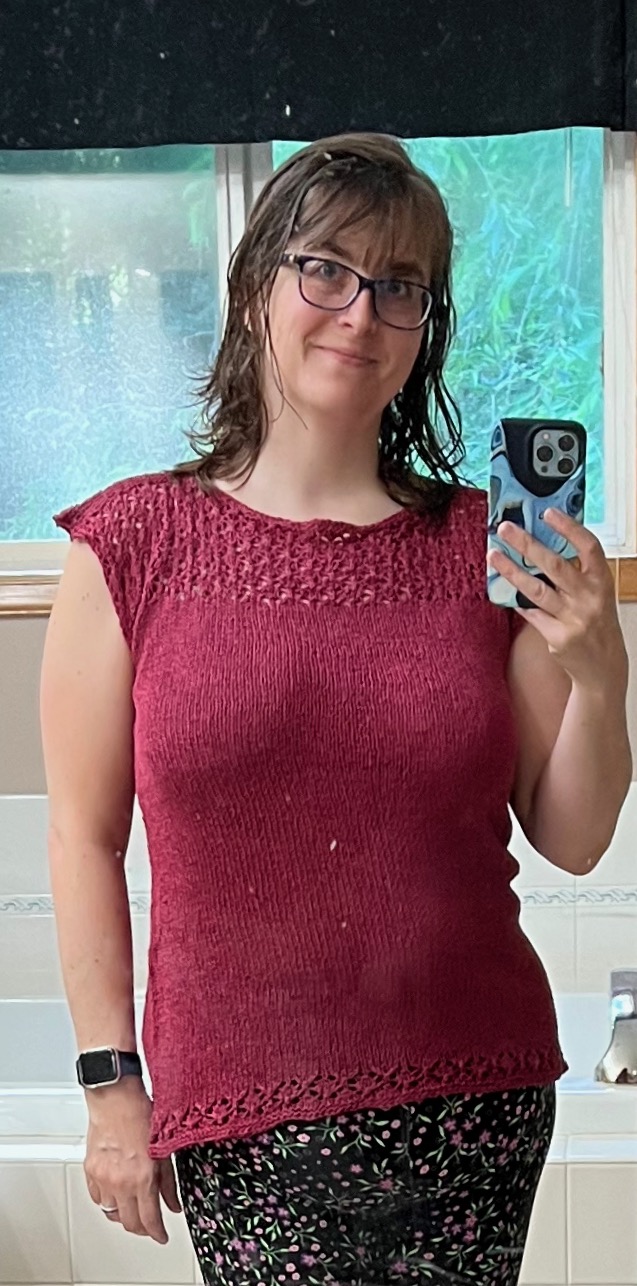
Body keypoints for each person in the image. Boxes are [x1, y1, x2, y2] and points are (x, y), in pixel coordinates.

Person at [40, 133, 632, 1286]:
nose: (360, 313)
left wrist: (601, 671)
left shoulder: (486, 547)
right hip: (244, 1115)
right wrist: (111, 1085)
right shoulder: (132, 542)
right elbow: (81, 834)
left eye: (400, 286)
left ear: (426, 327)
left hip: (476, 1101)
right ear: (255, 283)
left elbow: (569, 835)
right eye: (326, 269)